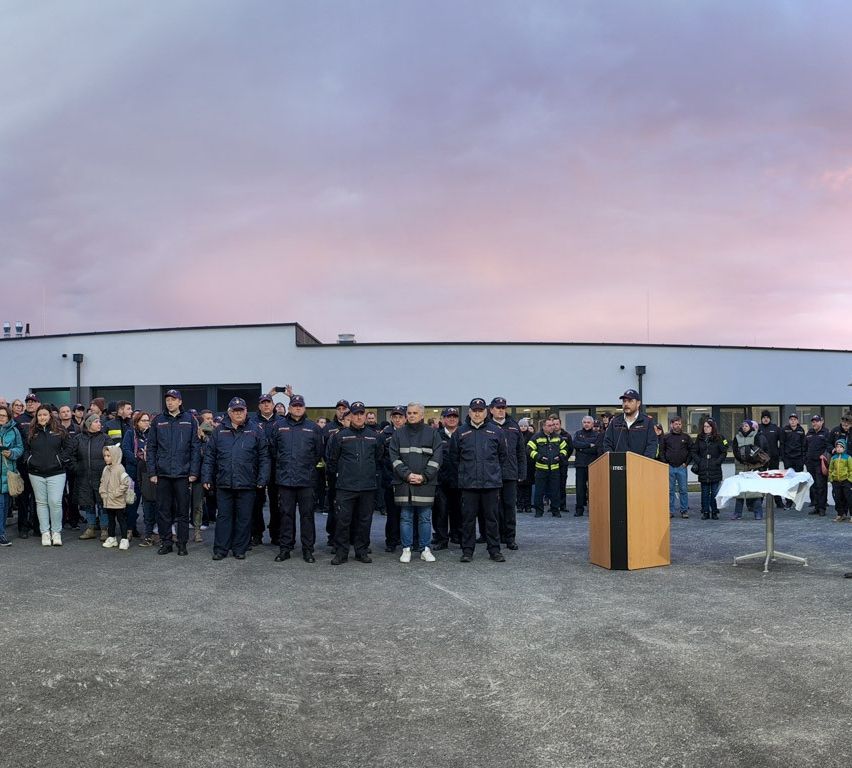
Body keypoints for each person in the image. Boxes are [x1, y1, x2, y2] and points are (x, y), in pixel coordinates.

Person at [203, 397, 270, 561]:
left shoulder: (256, 430)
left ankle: (240, 548)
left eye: (241, 410)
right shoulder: (219, 431)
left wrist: (262, 478)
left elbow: (264, 457)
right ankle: (221, 549)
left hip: (248, 483)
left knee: (244, 517)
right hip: (224, 482)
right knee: (224, 517)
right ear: (229, 412)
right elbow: (210, 456)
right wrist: (207, 476)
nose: (238, 413)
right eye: (235, 410)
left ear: (246, 411)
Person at [449, 398, 507, 562]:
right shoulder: (460, 432)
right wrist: (464, 474)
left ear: (486, 412)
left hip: (491, 483)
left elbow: (503, 456)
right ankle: (467, 551)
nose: (477, 413)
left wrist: (492, 472)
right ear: (469, 412)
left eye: (480, 410)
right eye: (474, 410)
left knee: (492, 519)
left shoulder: (496, 431)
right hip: (468, 484)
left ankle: (494, 550)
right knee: (467, 519)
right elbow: (454, 458)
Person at [325, 401, 382, 565]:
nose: (358, 416)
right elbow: (332, 460)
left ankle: (361, 551)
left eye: (361, 413)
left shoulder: (374, 436)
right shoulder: (340, 436)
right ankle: (341, 553)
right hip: (345, 486)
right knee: (343, 521)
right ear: (350, 416)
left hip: (367, 486)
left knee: (364, 521)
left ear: (365, 415)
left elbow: (378, 458)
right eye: (355, 413)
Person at [147, 388, 201, 556]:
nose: (169, 402)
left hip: (183, 474)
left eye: (173, 399)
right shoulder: (158, 421)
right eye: (167, 399)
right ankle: (166, 542)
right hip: (163, 474)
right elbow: (151, 449)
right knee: (163, 510)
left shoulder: (190, 420)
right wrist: (152, 472)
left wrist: (193, 471)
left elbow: (195, 447)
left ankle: (182, 544)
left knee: (183, 511)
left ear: (180, 401)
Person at [271, 394, 323, 564]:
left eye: (300, 405)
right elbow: (273, 450)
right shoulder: (279, 426)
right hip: (285, 480)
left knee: (307, 516)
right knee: (286, 515)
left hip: (306, 480)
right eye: (295, 405)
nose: (298, 408)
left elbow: (318, 453)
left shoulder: (313, 428)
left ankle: (308, 550)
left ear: (304, 408)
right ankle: (285, 549)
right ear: (290, 407)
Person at [389, 402, 443, 563]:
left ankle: (425, 549)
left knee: (425, 517)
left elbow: (437, 458)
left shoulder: (432, 434)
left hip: (425, 483)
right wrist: (407, 475)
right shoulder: (398, 435)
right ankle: (407, 549)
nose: (411, 415)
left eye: (414, 413)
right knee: (406, 517)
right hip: (404, 483)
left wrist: (424, 476)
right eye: (409, 413)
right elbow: (394, 457)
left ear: (421, 415)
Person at [24, 406, 73, 546]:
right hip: (36, 473)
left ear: (50, 416)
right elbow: (26, 449)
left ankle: (56, 532)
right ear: (36, 417)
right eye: (40, 415)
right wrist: (29, 461)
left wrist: (60, 460)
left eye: (45, 414)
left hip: (56, 473)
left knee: (55, 502)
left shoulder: (59, 431)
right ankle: (45, 532)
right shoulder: (31, 431)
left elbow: (70, 446)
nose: (42, 417)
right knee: (41, 503)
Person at [488, 397, 526, 550]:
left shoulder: (514, 426)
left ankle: (510, 538)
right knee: (494, 508)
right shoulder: (487, 426)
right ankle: (495, 537)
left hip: (510, 473)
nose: (501, 410)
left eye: (503, 407)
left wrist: (522, 472)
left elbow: (521, 452)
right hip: (492, 474)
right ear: (491, 410)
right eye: (498, 408)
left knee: (509, 507)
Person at [121, 412, 158, 547]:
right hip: (133, 472)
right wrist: (139, 460)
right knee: (132, 502)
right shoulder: (130, 434)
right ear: (137, 422)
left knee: (149, 502)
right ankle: (130, 529)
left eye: (148, 420)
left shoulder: (152, 434)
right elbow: (126, 450)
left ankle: (150, 531)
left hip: (147, 473)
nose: (146, 423)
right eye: (143, 420)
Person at [250, 393, 280, 546]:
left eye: (269, 402)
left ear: (273, 405)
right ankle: (257, 533)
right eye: (263, 403)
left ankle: (276, 533)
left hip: (276, 467)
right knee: (256, 503)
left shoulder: (281, 421)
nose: (266, 405)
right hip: (257, 467)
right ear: (259, 406)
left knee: (276, 503)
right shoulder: (252, 422)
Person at [75, 414, 111, 541]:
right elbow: (72, 455)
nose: (99, 424)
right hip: (84, 477)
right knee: (88, 503)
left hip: (101, 476)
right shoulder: (78, 438)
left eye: (99, 421)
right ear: (89, 424)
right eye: (96, 421)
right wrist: (76, 467)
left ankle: (104, 529)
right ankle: (90, 528)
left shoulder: (105, 438)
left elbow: (111, 455)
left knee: (103, 503)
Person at [322, 399, 351, 548]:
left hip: (350, 476)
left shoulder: (355, 430)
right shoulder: (328, 429)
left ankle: (350, 537)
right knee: (334, 507)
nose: (341, 410)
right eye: (339, 408)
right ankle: (332, 536)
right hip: (334, 475)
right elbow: (323, 451)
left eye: (344, 408)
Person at [528, 416, 567, 518]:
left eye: (553, 425)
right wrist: (539, 457)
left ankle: (555, 510)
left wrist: (560, 456)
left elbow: (564, 448)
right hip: (541, 469)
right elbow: (529, 449)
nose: (552, 427)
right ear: (544, 426)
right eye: (549, 426)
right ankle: (539, 511)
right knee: (539, 492)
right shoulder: (537, 437)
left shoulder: (558, 437)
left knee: (555, 492)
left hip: (554, 469)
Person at [378, 405, 405, 552]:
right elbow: (380, 458)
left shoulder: (410, 433)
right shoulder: (384, 435)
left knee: (407, 514)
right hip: (391, 480)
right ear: (391, 418)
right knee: (392, 514)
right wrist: (388, 478)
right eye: (395, 417)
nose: (398, 419)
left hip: (407, 480)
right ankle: (391, 541)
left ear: (405, 418)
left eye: (400, 417)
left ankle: (407, 539)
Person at [434, 407, 462, 547]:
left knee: (458, 511)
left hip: (459, 481)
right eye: (448, 416)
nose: (452, 419)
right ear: (443, 419)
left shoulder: (463, 434)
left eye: (454, 417)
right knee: (441, 512)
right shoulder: (436, 436)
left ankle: (457, 535)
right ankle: (441, 539)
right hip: (441, 481)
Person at [602, 389, 658, 458]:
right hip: (618, 465)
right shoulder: (615, 422)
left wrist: (644, 462)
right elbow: (607, 444)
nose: (626, 404)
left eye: (630, 401)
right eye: (624, 401)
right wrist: (613, 460)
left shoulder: (647, 421)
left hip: (641, 466)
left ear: (638, 403)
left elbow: (652, 445)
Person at [731, 419, 768, 520]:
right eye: (743, 425)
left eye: (746, 426)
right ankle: (737, 513)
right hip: (740, 466)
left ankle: (758, 513)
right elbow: (735, 450)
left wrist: (750, 459)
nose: (744, 427)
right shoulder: (737, 437)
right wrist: (741, 458)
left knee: (755, 491)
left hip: (753, 466)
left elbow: (758, 450)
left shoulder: (756, 436)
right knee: (740, 491)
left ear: (750, 427)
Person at [691, 418, 727, 520]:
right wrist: (699, 461)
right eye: (705, 426)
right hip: (703, 469)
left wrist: (717, 462)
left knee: (715, 493)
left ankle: (714, 512)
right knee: (705, 493)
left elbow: (723, 452)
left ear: (712, 427)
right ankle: (705, 512)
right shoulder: (700, 438)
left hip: (715, 469)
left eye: (708, 426)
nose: (706, 428)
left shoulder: (719, 438)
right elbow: (694, 451)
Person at [99, 444, 132, 550]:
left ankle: (124, 539)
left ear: (115, 456)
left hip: (118, 500)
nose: (106, 458)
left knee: (121, 519)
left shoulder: (120, 469)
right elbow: (103, 482)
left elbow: (125, 483)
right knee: (111, 520)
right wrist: (103, 493)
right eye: (105, 456)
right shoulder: (105, 469)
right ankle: (111, 537)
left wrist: (115, 493)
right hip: (108, 500)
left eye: (109, 456)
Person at [660, 416, 693, 519]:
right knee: (670, 490)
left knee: (683, 490)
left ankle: (684, 511)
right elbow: (662, 451)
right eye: (676, 424)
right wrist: (665, 463)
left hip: (682, 467)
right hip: (670, 467)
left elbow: (692, 451)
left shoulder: (686, 437)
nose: (678, 426)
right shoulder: (666, 437)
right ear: (671, 425)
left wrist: (686, 463)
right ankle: (670, 511)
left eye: (679, 424)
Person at [0, 405, 24, 546]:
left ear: (9, 417)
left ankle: (1, 533)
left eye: (3, 415)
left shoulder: (14, 431)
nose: (1, 418)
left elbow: (20, 448)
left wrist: (12, 453)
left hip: (6, 473)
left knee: (3, 506)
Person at [573, 415, 602, 516]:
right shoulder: (578, 433)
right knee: (580, 489)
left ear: (592, 424)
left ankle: (593, 509)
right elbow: (575, 444)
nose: (586, 424)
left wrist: (582, 448)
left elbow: (596, 449)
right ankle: (579, 510)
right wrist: (589, 445)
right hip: (580, 465)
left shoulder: (597, 435)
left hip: (593, 465)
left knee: (593, 489)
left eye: (588, 422)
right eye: (584, 422)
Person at [805, 414, 831, 516]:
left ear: (821, 422)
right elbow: (804, 446)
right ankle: (816, 506)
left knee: (821, 486)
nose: (814, 423)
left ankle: (822, 508)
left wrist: (824, 456)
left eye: (816, 421)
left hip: (820, 463)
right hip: (810, 463)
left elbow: (828, 447)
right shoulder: (809, 433)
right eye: (813, 421)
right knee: (813, 485)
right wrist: (805, 459)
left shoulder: (826, 432)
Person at [780, 414, 806, 507]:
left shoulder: (801, 430)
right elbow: (782, 444)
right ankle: (789, 501)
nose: (793, 421)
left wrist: (803, 459)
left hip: (798, 458)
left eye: (795, 419)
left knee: (798, 480)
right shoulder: (784, 430)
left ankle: (797, 500)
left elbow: (804, 445)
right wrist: (783, 458)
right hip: (788, 459)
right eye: (791, 419)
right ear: (789, 421)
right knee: (789, 481)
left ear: (797, 421)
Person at [828, 439, 852, 523]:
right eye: (837, 447)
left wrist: (849, 480)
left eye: (841, 447)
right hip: (836, 482)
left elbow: (851, 470)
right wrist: (831, 478)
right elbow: (830, 469)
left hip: (846, 481)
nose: (838, 448)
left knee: (849, 498)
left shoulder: (848, 458)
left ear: (844, 448)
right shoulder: (833, 458)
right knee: (837, 498)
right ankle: (840, 514)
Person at [517, 417, 536, 514]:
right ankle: (520, 505)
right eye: (521, 426)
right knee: (519, 487)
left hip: (529, 464)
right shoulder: (516, 435)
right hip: (519, 464)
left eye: (525, 426)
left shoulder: (532, 436)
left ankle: (528, 505)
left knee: (528, 487)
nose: (523, 427)